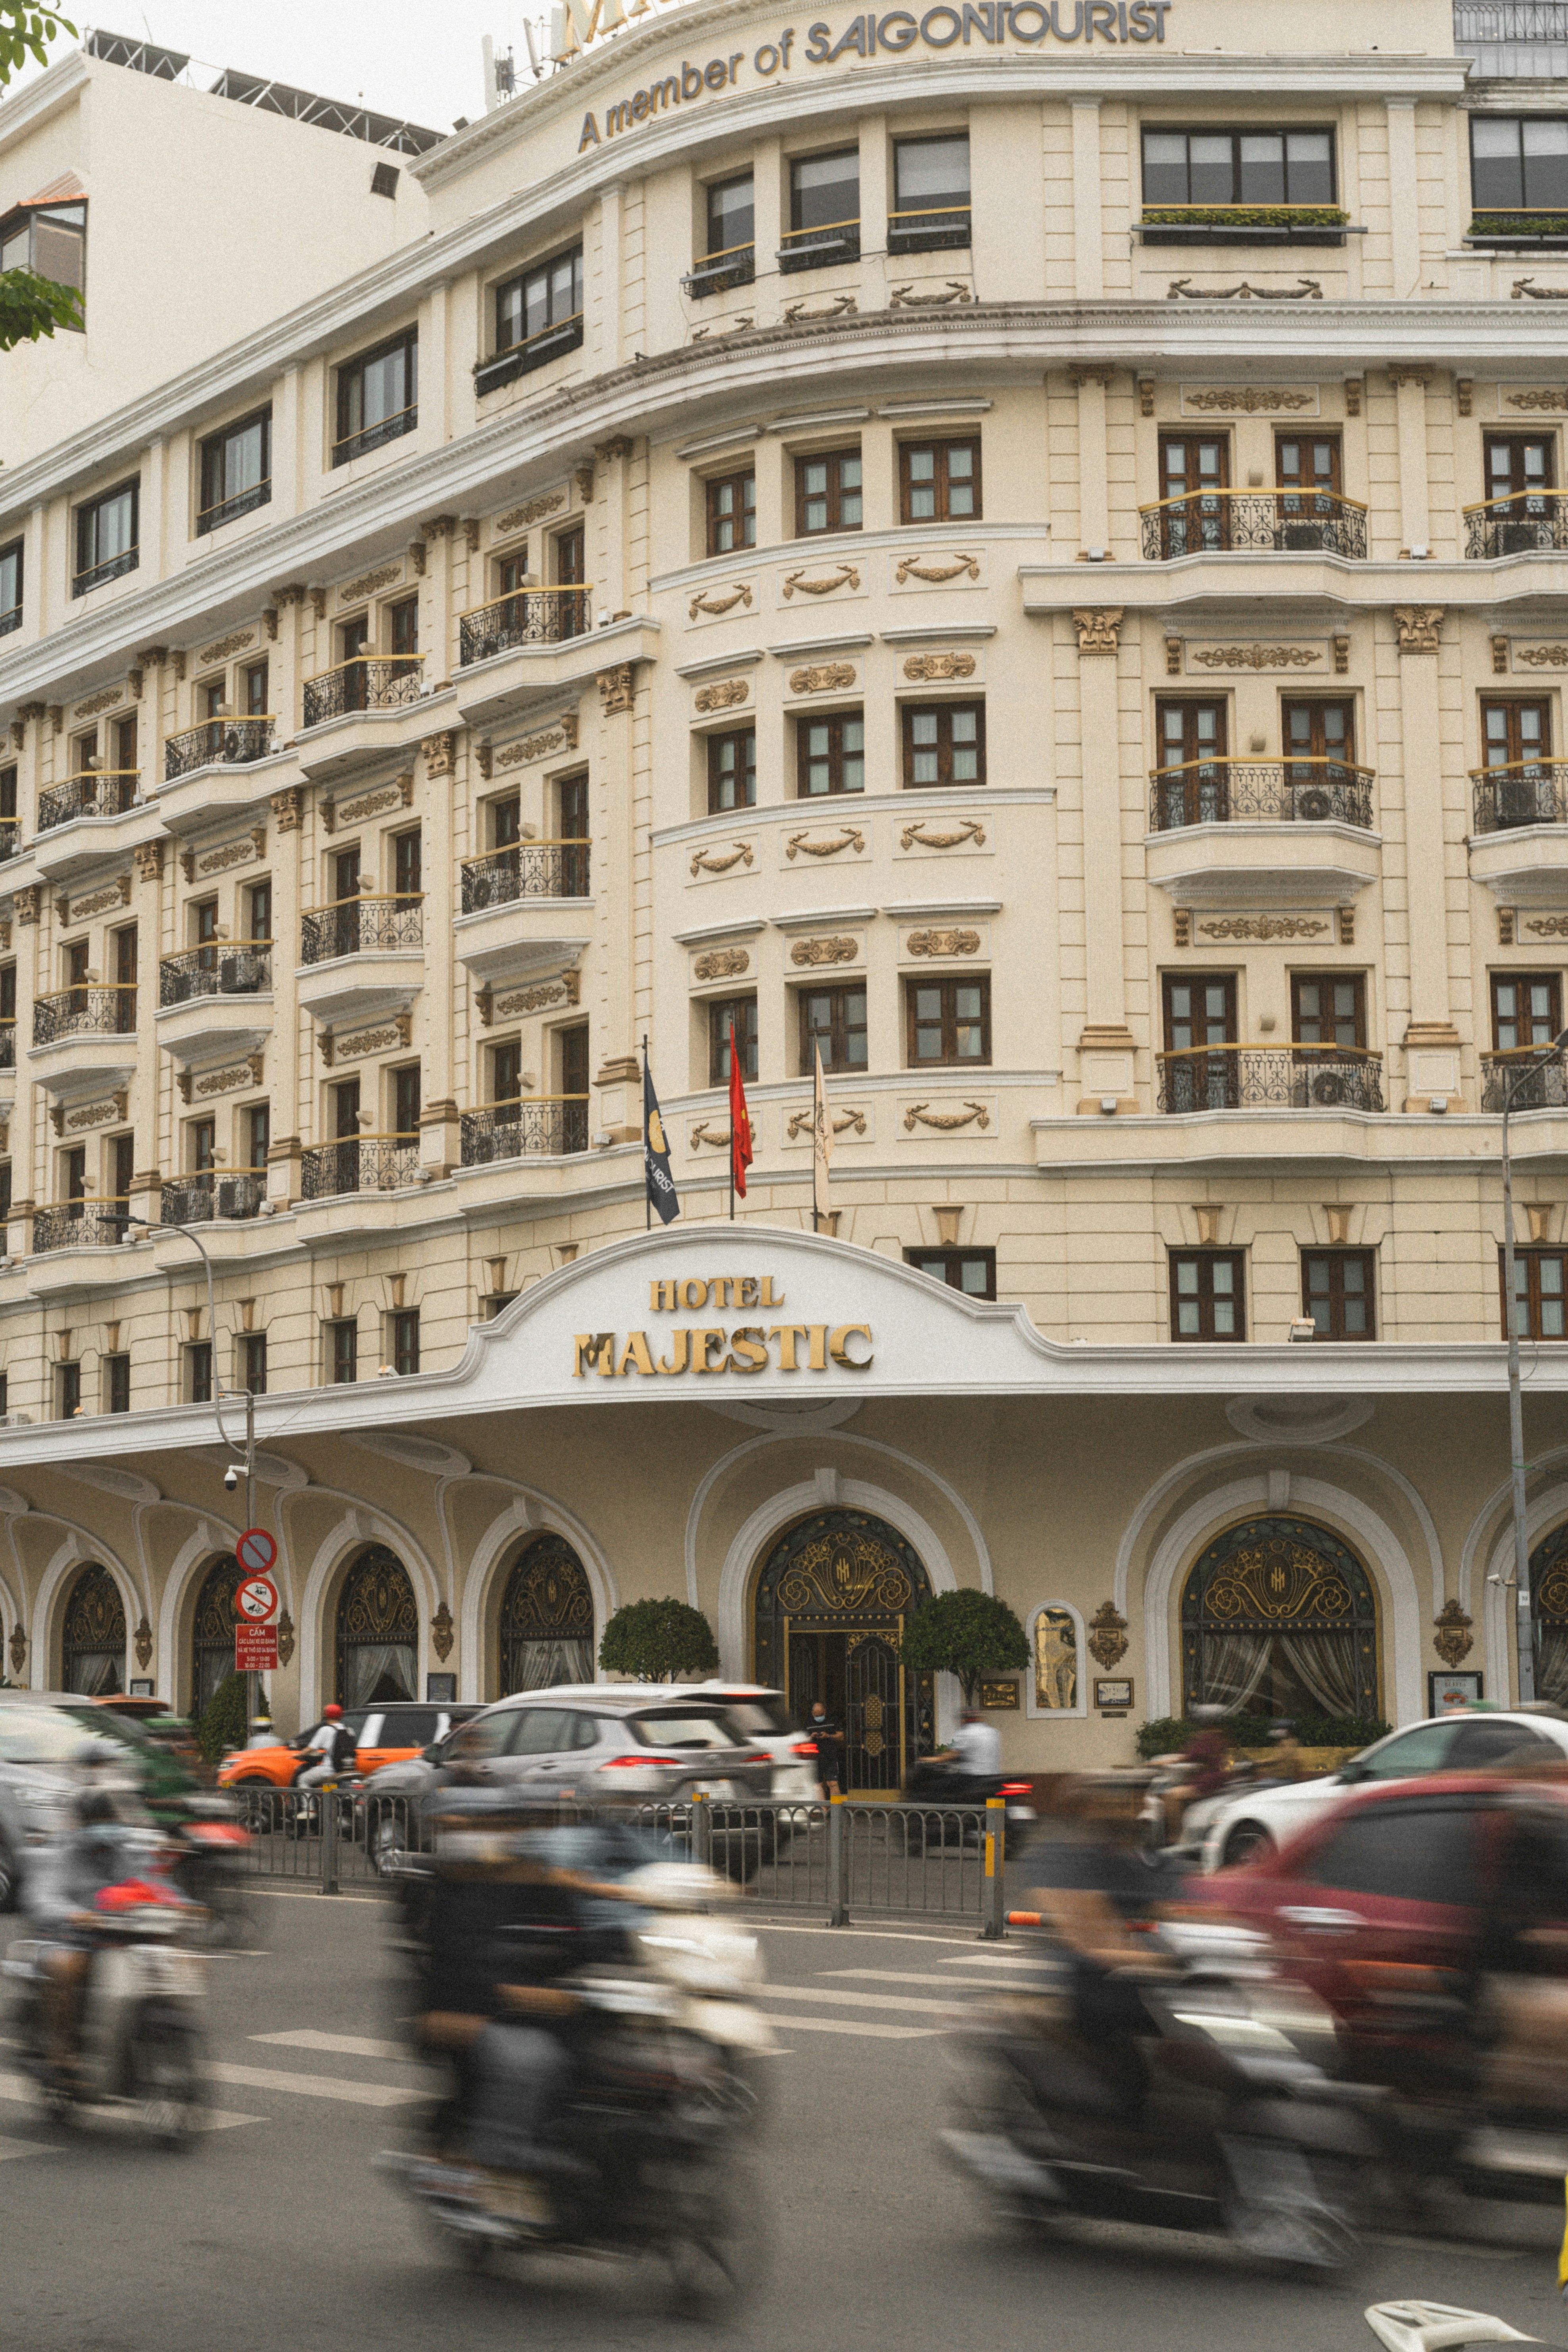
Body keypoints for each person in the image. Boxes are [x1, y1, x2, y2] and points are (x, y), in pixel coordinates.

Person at [25, 1783, 139, 2091]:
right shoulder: (62, 1852)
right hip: (66, 1938)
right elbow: (43, 1897)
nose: (106, 1826)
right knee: (70, 1965)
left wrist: (186, 1907)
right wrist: (75, 1914)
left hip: (116, 1939)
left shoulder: (125, 1851)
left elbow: (151, 1884)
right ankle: (61, 2053)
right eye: (97, 1820)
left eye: (108, 1818)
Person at [296, 1703, 355, 1791]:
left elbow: (311, 1748)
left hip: (329, 1770)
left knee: (303, 1780)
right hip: (345, 1770)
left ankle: (308, 1801)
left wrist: (299, 1755)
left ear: (327, 1715)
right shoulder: (349, 1730)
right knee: (328, 1785)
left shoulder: (326, 1730)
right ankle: (329, 1799)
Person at [806, 1699, 843, 1799]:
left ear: (825, 1712)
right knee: (818, 1786)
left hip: (830, 1756)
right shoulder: (809, 1723)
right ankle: (823, 1808)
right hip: (815, 1758)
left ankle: (837, 1807)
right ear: (813, 1714)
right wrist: (811, 1737)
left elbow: (841, 1736)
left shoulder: (832, 1721)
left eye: (821, 1715)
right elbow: (802, 1739)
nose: (819, 1718)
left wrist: (829, 1736)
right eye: (816, 1716)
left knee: (833, 1783)